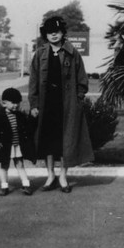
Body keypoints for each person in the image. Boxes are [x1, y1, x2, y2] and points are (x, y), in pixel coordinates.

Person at [29, 16, 94, 193]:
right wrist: (34, 104)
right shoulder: (40, 54)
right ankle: (50, 176)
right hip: (46, 105)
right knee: (48, 141)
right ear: (46, 35)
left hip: (67, 106)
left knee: (67, 140)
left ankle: (63, 176)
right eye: (50, 33)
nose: (54, 36)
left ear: (62, 33)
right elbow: (33, 81)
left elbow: (82, 79)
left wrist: (78, 99)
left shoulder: (72, 53)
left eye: (56, 32)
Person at [0, 88, 36, 196]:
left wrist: (32, 118)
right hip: (6, 146)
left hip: (17, 145)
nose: (16, 105)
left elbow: (27, 128)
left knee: (20, 164)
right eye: (13, 103)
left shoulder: (20, 116)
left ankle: (26, 185)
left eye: (18, 103)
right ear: (4, 104)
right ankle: (4, 186)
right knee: (4, 165)